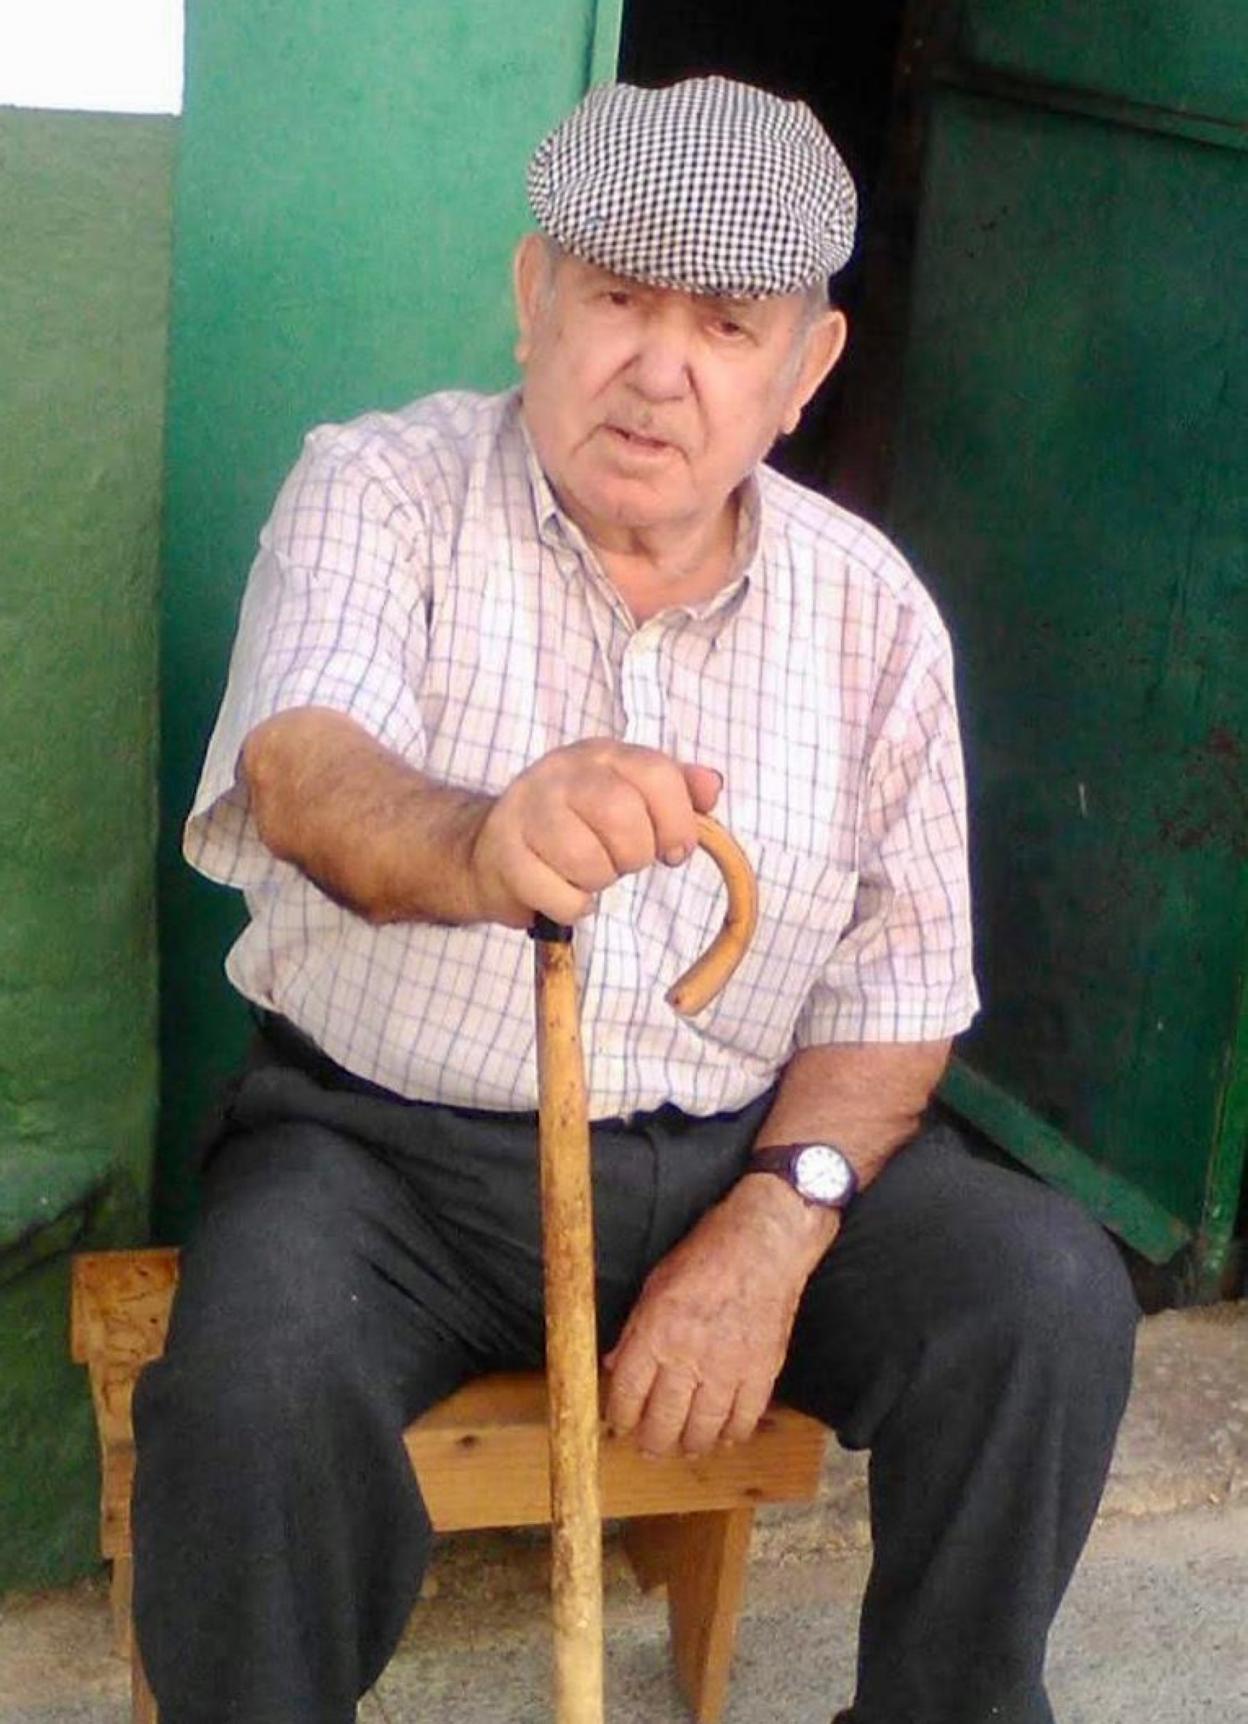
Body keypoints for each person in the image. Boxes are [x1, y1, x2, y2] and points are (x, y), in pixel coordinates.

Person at [133, 75, 1138, 1724]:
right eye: (617, 299)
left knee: (1041, 1295)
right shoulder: (379, 491)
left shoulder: (871, 612)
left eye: (726, 325)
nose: (660, 369)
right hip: (387, 1164)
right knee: (249, 1397)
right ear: (534, 293)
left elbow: (899, 995)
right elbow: (303, 768)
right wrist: (480, 841)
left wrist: (779, 1218)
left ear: (804, 368)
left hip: (730, 1156)